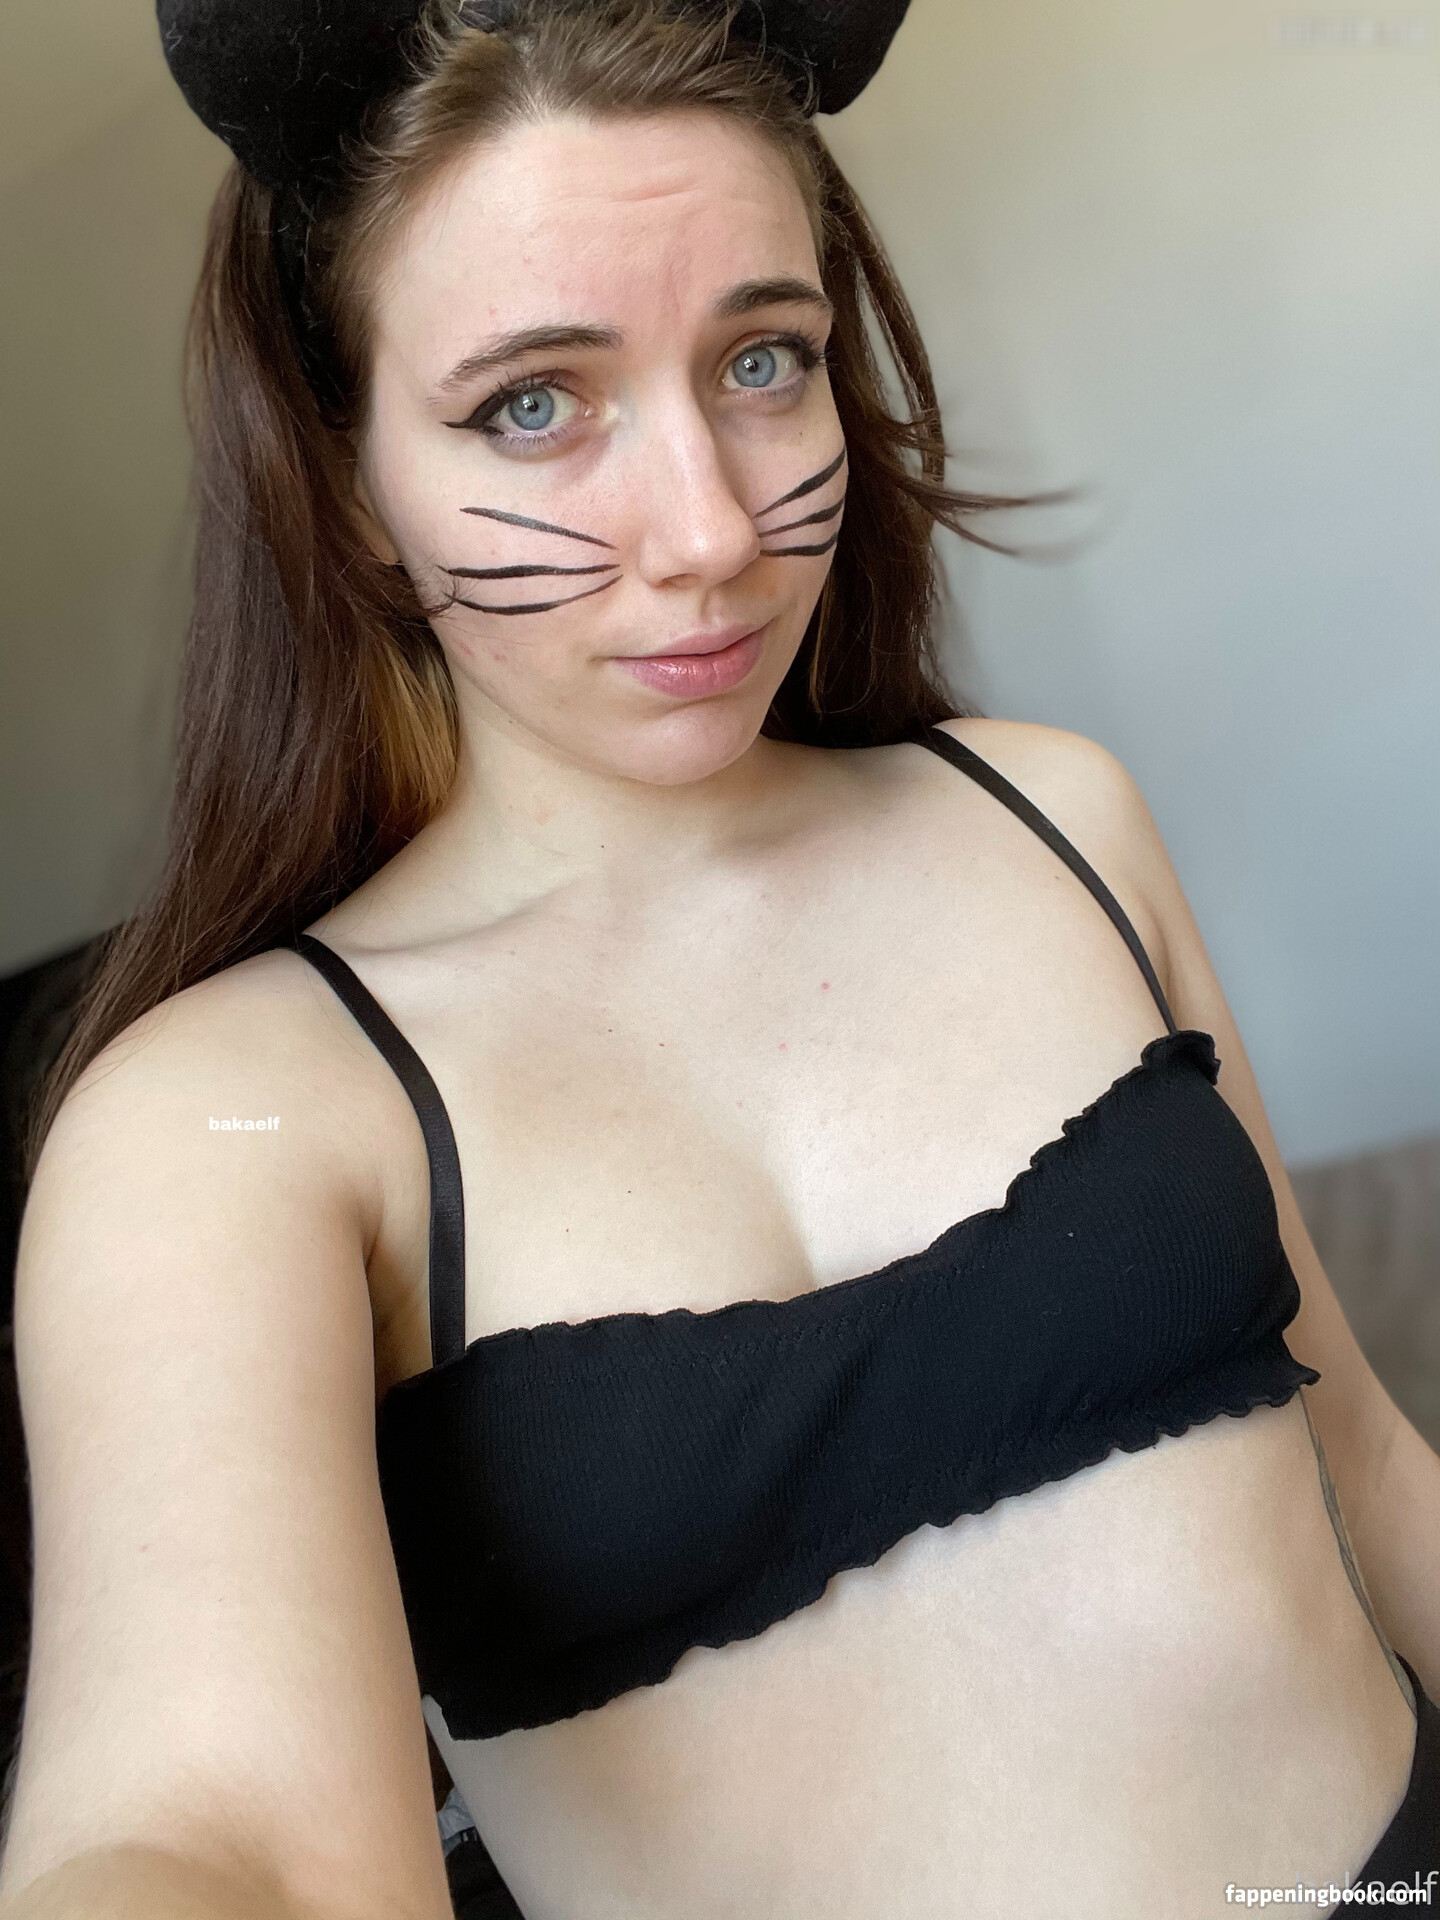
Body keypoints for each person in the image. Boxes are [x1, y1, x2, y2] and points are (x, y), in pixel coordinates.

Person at [2, 1, 1436, 1915]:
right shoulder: (230, 1122)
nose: (710, 532)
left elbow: (1363, 1459)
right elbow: (208, 1831)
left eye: (765, 360)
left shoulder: (1058, 817)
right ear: (346, 481)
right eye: (534, 403)